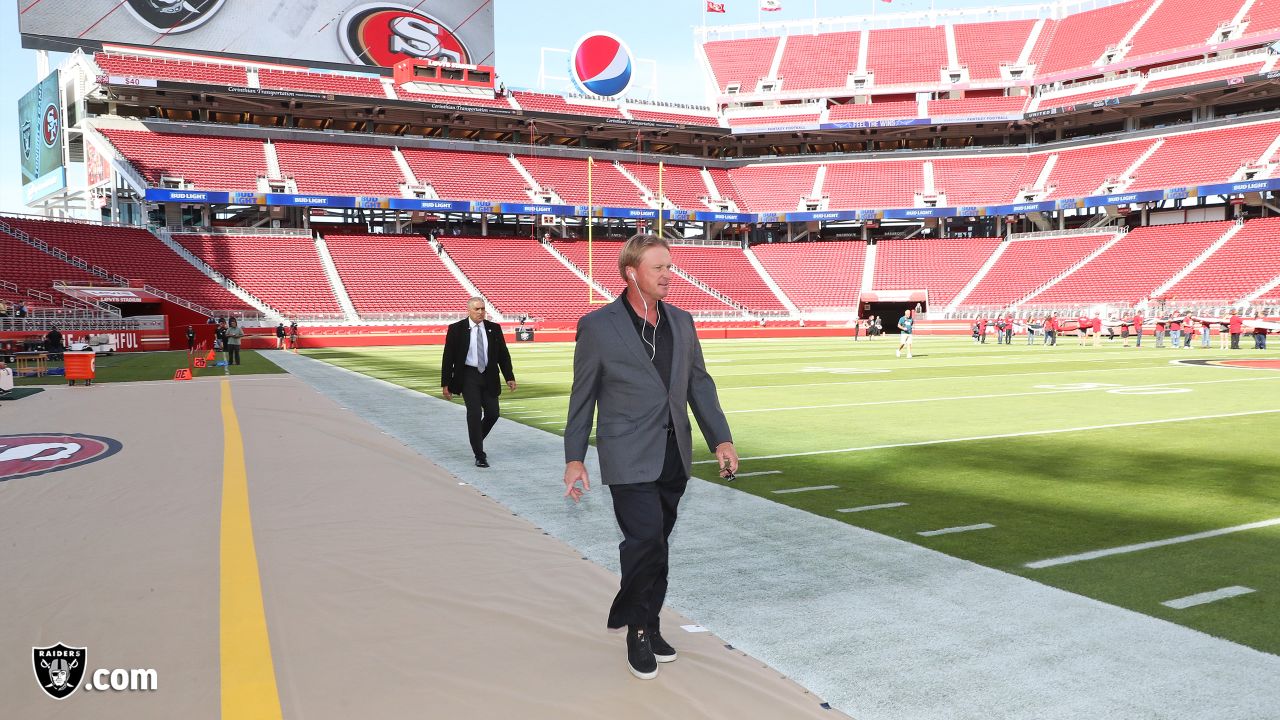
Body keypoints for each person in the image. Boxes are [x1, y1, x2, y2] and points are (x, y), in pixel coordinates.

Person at [562, 233, 736, 681]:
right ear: (631, 273)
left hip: (673, 453)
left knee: (658, 547)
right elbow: (582, 398)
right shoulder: (598, 326)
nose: (667, 275)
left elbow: (700, 384)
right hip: (626, 454)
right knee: (646, 541)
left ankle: (649, 621)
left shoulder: (682, 321)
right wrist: (574, 457)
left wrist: (721, 439)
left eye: (669, 266)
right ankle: (635, 628)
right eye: (658, 268)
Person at [441, 297, 516, 468]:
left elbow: (503, 355)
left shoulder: (494, 329)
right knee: (474, 413)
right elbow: (448, 357)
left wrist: (509, 377)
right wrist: (446, 383)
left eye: (483, 309)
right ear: (469, 310)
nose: (481, 312)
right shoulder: (456, 329)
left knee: (493, 413)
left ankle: (475, 439)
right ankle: (479, 454)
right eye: (477, 309)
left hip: (489, 375)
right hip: (468, 375)